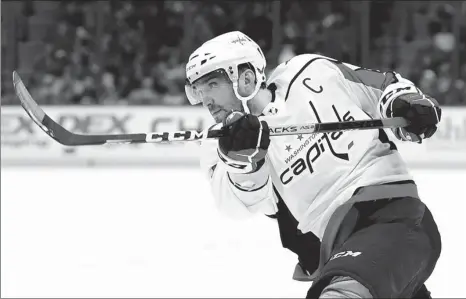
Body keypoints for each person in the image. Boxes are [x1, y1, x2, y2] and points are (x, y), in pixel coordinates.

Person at [184, 31, 442, 298]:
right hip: (343, 250)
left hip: (394, 216)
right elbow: (240, 205)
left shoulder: (309, 72)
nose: (205, 100)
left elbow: (381, 87)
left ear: (245, 78)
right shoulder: (220, 144)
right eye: (198, 91)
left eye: (212, 85)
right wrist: (245, 162)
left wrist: (405, 104)